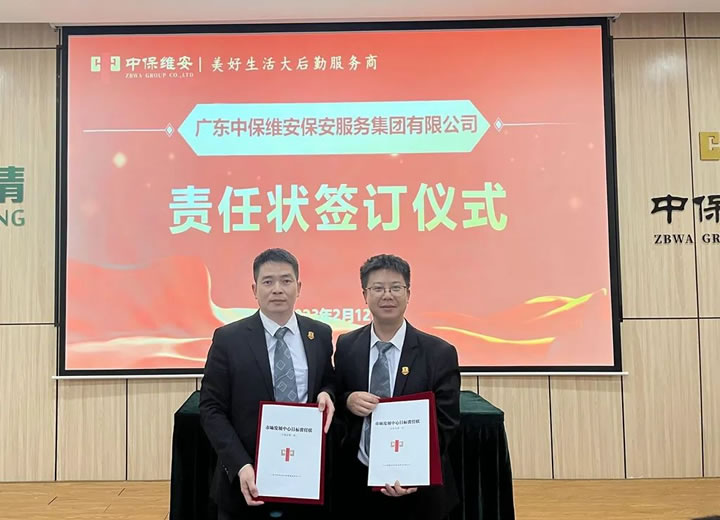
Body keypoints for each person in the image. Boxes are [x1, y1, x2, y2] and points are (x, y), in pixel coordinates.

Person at [199, 248, 335, 520]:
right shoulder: (228, 339)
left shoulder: (319, 334)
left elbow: (329, 381)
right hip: (247, 479)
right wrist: (240, 465)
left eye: (286, 281)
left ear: (298, 287)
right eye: (268, 281)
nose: (277, 289)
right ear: (254, 289)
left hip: (306, 478)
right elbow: (211, 408)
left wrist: (326, 393)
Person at [334, 254, 461, 520]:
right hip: (357, 485)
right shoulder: (347, 346)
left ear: (408, 293)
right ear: (365, 294)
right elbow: (336, 399)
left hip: (418, 491)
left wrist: (415, 472)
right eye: (378, 288)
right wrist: (347, 400)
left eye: (395, 288)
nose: (387, 295)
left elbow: (446, 423)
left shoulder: (438, 353)